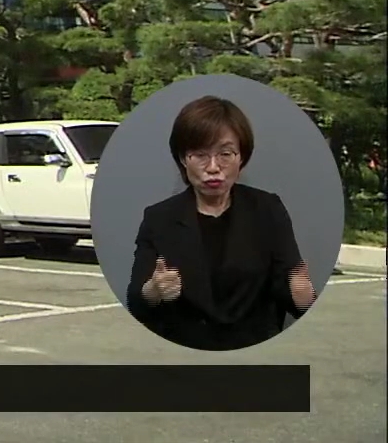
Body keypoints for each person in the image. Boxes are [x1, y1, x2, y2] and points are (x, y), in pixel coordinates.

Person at [126, 95, 317, 350]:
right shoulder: (159, 218)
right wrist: (154, 291)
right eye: (200, 155)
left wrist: (302, 296)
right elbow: (137, 302)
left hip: (254, 351)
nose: (214, 167)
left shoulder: (268, 209)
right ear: (183, 159)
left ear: (242, 158)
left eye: (225, 154)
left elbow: (289, 289)